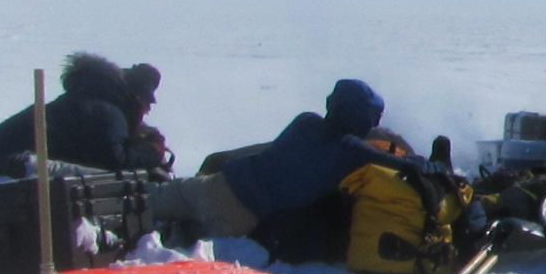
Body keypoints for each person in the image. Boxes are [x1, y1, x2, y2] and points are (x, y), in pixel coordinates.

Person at [151, 79, 421, 246]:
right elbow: (403, 165)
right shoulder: (351, 150)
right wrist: (433, 165)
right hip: (241, 218)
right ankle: (171, 235)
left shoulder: (305, 122)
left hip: (216, 185)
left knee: (149, 200)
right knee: (175, 241)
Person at [0, 52, 174, 182]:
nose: (147, 112)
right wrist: (152, 152)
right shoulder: (106, 111)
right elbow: (113, 162)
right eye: (147, 105)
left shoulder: (85, 105)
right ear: (136, 99)